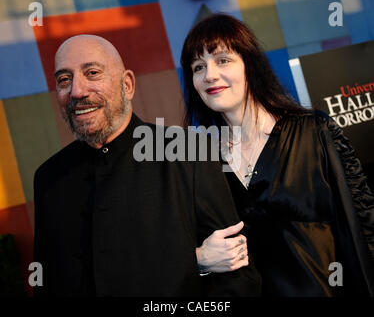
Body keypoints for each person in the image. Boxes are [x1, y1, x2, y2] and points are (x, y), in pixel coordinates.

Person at [33, 34, 261, 296]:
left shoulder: (188, 152)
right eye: (64, 80)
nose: (77, 91)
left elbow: (239, 277)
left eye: (92, 73)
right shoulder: (48, 179)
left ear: (127, 85)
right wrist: (193, 260)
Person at [181, 14, 374, 296]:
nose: (209, 74)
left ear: (250, 65)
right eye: (198, 67)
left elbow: (366, 227)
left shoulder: (314, 132)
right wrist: (200, 259)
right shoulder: (204, 162)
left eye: (222, 60)